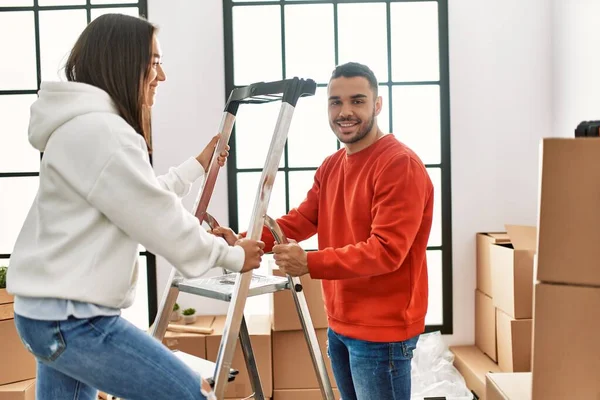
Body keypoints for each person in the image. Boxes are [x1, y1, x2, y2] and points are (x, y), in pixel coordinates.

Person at [6, 13, 264, 400]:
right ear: (124, 62)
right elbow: (155, 219)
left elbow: (132, 200)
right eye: (155, 62)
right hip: (73, 321)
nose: (162, 77)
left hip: (47, 315)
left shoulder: (85, 127)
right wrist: (231, 255)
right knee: (191, 395)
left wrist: (195, 167)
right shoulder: (104, 132)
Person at [215, 62, 434, 400]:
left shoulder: (398, 164)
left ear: (377, 105)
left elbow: (386, 251)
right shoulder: (332, 166)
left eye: (357, 101)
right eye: (335, 102)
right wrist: (245, 241)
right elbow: (300, 220)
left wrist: (310, 263)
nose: (345, 112)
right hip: (340, 324)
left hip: (382, 332)